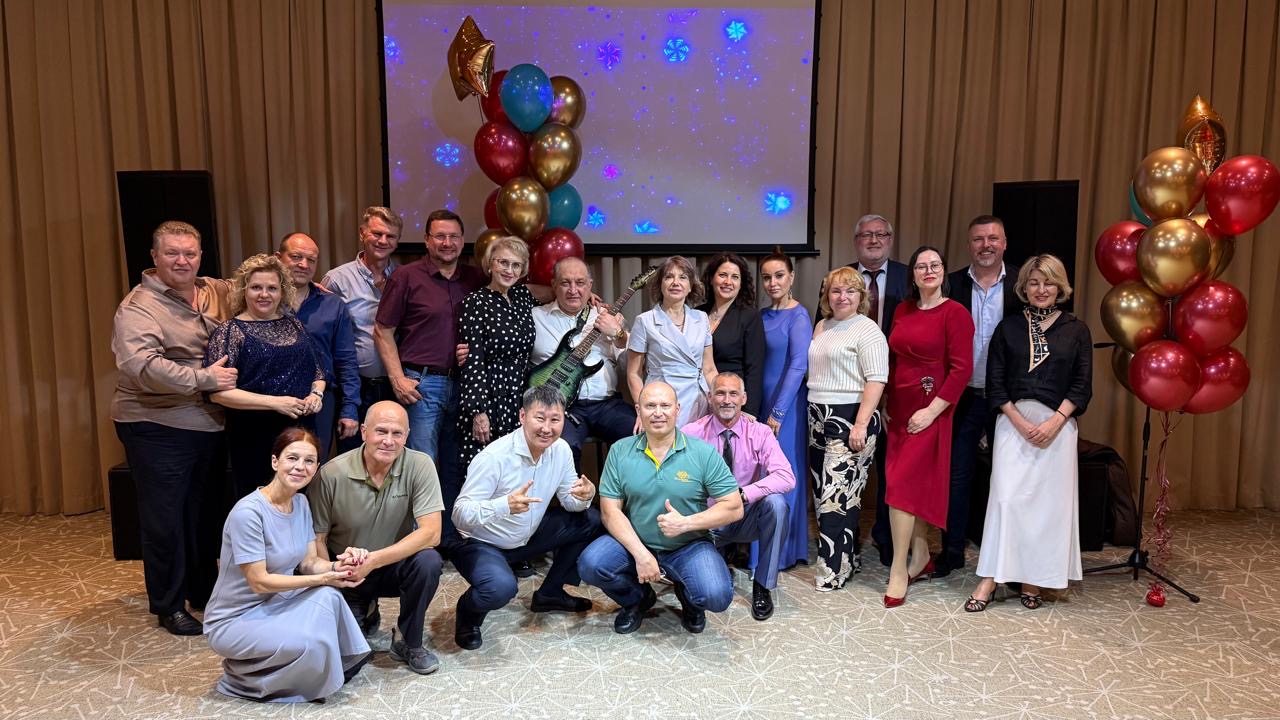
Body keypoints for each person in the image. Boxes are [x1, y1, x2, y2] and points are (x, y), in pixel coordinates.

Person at [111, 220, 236, 635]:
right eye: (172, 253)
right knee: (165, 519)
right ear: (154, 257)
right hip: (156, 423)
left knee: (202, 514)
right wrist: (205, 378)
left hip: (209, 423)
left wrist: (307, 288)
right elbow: (141, 366)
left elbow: (261, 285)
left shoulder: (215, 290)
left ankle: (201, 590)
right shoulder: (138, 307)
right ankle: (168, 604)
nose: (182, 261)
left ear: (200, 256)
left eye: (189, 253)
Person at [203, 428, 372, 703]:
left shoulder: (301, 503)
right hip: (234, 619)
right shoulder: (248, 513)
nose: (300, 467)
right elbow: (259, 582)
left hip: (275, 603)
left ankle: (319, 667)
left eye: (309, 461)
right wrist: (322, 579)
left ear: (316, 468)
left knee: (330, 596)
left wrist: (337, 567)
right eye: (292, 458)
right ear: (275, 462)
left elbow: (308, 562)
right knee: (312, 643)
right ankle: (243, 679)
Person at [965, 256, 1092, 612]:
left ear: (1060, 286)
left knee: (1045, 509)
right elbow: (995, 383)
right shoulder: (1008, 328)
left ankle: (1032, 580)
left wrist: (1055, 423)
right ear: (1024, 287)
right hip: (1013, 423)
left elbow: (1082, 385)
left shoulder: (1076, 330)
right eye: (1034, 282)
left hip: (1058, 427)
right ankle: (991, 578)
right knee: (1006, 501)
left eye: (1048, 282)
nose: (1041, 289)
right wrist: (1019, 422)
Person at [577, 382, 743, 635]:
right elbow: (610, 512)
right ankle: (637, 599)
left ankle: (689, 598)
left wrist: (686, 523)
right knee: (591, 564)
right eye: (650, 406)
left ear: (677, 409)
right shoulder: (620, 450)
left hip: (689, 545)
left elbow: (734, 507)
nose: (658, 413)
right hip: (635, 542)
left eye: (665, 405)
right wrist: (641, 555)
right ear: (638, 410)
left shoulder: (703, 453)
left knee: (716, 595)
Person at [450, 386, 604, 649]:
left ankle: (550, 593)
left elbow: (571, 503)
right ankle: (467, 615)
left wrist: (585, 495)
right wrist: (504, 506)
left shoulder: (561, 449)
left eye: (555, 419)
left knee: (591, 519)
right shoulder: (494, 457)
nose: (547, 428)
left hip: (526, 536)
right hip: (482, 543)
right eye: (539, 418)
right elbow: (459, 515)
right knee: (501, 588)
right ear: (522, 416)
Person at [309, 401, 446, 675]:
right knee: (344, 664)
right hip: (347, 570)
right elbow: (318, 540)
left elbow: (432, 533)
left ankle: (408, 640)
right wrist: (334, 578)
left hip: (392, 564)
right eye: (381, 431)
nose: (388, 441)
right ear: (363, 432)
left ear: (407, 436)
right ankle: (364, 606)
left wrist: (373, 560)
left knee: (429, 560)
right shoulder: (331, 474)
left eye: (397, 433)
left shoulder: (420, 464)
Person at [883, 246, 974, 607]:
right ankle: (920, 555)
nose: (928, 270)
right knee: (908, 485)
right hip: (899, 408)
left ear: (944, 271)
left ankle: (898, 569)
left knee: (901, 485)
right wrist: (887, 399)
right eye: (921, 266)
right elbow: (893, 359)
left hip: (930, 407)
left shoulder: (955, 313)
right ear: (913, 275)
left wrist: (933, 411)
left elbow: (962, 370)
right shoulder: (903, 310)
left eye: (935, 265)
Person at [936, 215, 1021, 577]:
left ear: (1004, 243)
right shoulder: (951, 284)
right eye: (978, 239)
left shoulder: (1022, 283)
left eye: (993, 238)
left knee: (1011, 479)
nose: (986, 245)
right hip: (963, 396)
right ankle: (952, 550)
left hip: (1009, 398)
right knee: (957, 476)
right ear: (969, 245)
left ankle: (1009, 556)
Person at [204, 254, 323, 498]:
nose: (264, 294)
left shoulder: (294, 325)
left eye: (272, 288)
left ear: (282, 291)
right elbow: (217, 394)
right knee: (260, 500)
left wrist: (316, 395)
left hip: (300, 432)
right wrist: (276, 403)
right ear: (243, 291)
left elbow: (318, 372)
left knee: (299, 500)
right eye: (256, 287)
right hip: (254, 435)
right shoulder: (229, 332)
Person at [374, 209, 487, 465]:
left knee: (458, 464)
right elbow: (382, 331)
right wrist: (397, 379)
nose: (447, 243)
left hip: (465, 385)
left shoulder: (476, 278)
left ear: (462, 240)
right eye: (440, 236)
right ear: (426, 240)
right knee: (422, 463)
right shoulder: (406, 277)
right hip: (422, 386)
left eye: (454, 236)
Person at [682, 373, 794, 620]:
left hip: (744, 516)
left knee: (776, 504)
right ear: (710, 397)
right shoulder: (691, 433)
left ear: (743, 398)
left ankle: (763, 584)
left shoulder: (760, 432)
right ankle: (717, 558)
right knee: (711, 589)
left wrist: (743, 494)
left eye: (733, 394)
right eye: (720, 393)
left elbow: (786, 477)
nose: (727, 400)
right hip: (708, 522)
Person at [806, 267, 888, 591]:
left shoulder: (868, 330)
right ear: (827, 295)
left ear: (861, 296)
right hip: (817, 416)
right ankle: (847, 558)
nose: (842, 297)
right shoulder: (822, 326)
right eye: (836, 290)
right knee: (825, 494)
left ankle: (831, 572)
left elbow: (876, 379)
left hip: (851, 417)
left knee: (836, 497)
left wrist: (861, 424)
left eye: (850, 291)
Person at [847, 215, 911, 568]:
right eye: (866, 235)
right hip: (848, 390)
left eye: (881, 234)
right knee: (849, 469)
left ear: (890, 239)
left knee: (890, 469)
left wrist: (888, 391)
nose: (873, 240)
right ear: (856, 240)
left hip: (896, 390)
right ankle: (849, 536)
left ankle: (886, 537)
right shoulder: (841, 278)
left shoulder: (908, 276)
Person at [530, 256, 635, 470]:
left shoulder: (609, 316)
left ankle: (620, 491)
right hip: (562, 407)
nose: (573, 290)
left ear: (590, 285)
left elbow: (630, 365)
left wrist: (618, 333)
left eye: (580, 283)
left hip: (607, 404)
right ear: (553, 285)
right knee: (563, 448)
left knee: (637, 435)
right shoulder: (535, 317)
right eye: (565, 283)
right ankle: (574, 493)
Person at [321, 206, 403, 454]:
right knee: (352, 455)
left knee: (390, 455)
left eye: (390, 236)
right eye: (377, 233)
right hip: (354, 388)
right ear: (362, 233)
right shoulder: (337, 279)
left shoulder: (405, 276)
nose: (383, 241)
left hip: (396, 386)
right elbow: (322, 334)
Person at [455, 235, 538, 473]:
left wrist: (589, 297)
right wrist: (478, 412)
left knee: (519, 470)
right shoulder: (474, 302)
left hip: (520, 397)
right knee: (487, 471)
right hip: (489, 397)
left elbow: (557, 292)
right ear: (490, 263)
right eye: (503, 262)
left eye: (516, 265)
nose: (509, 270)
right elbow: (472, 362)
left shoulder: (523, 297)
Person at [278, 232, 360, 462]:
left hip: (320, 401)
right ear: (278, 257)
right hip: (272, 402)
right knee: (272, 468)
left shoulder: (332, 305)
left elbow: (346, 361)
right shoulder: (263, 301)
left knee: (312, 468)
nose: (304, 265)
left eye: (311, 260)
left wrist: (350, 408)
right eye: (296, 257)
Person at [758, 247, 813, 571]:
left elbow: (798, 365)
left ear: (791, 277)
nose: (773, 283)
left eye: (779, 275)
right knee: (761, 474)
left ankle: (783, 552)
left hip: (786, 408)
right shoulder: (762, 316)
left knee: (782, 474)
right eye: (767, 277)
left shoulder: (799, 316)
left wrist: (777, 413)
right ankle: (760, 549)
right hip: (762, 404)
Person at [627, 256, 718, 427]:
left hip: (697, 399)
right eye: (669, 277)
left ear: (690, 286)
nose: (676, 282)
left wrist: (718, 397)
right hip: (661, 402)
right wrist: (642, 409)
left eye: (683, 277)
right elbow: (634, 373)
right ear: (660, 284)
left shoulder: (701, 318)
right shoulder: (645, 321)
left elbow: (709, 368)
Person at [697, 252, 765, 417]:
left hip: (730, 402)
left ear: (741, 284)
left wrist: (749, 411)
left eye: (735, 277)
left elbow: (754, 369)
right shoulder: (697, 314)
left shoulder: (750, 316)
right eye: (722, 275)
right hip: (696, 399)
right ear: (711, 278)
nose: (728, 282)